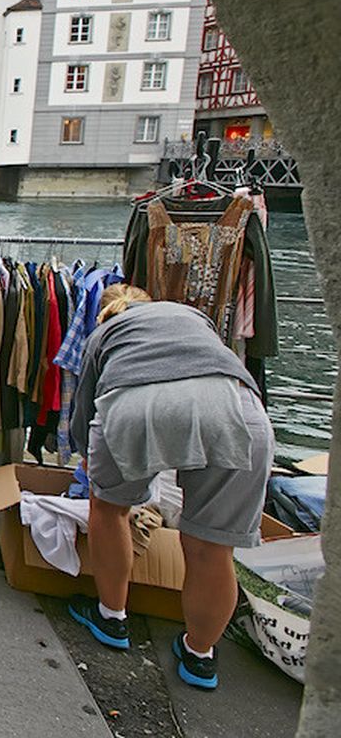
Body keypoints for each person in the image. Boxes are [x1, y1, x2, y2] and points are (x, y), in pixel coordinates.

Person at [67, 285, 273, 691]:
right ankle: (199, 656)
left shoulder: (104, 333)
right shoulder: (192, 316)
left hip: (137, 403)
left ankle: (112, 617)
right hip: (235, 407)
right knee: (212, 546)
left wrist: (89, 462)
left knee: (109, 511)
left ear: (104, 313)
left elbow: (84, 408)